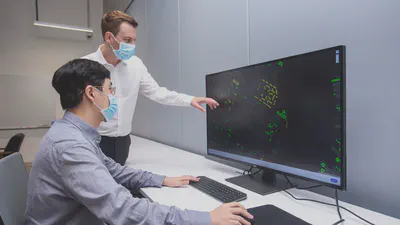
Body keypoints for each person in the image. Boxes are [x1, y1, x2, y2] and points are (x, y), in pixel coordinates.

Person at [25, 59, 253, 225]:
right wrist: (207, 218)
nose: (113, 97)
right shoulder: (71, 147)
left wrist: (162, 179)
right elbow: (121, 209)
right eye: (110, 90)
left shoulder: (75, 133)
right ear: (91, 94)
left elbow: (113, 171)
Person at [82, 10, 219, 165]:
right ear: (109, 37)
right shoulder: (85, 66)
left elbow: (157, 92)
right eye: (127, 40)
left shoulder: (135, 64)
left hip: (122, 143)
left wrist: (190, 99)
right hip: (93, 141)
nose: (133, 46)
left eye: (134, 40)